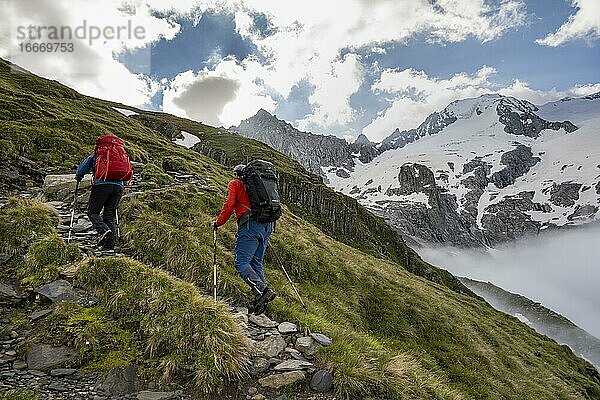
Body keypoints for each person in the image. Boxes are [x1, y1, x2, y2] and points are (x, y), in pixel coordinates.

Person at [211, 164, 277, 314]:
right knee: (256, 262)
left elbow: (229, 205)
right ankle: (261, 300)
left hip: (249, 226)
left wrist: (218, 223)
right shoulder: (259, 184)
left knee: (241, 262)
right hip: (266, 226)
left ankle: (262, 290)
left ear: (236, 174)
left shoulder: (235, 184)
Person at [75, 135, 132, 251]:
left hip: (101, 185)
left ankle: (104, 230)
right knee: (109, 215)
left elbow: (82, 169)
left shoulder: (98, 154)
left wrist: (78, 177)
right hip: (118, 187)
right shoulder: (121, 156)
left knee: (93, 212)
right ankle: (109, 245)